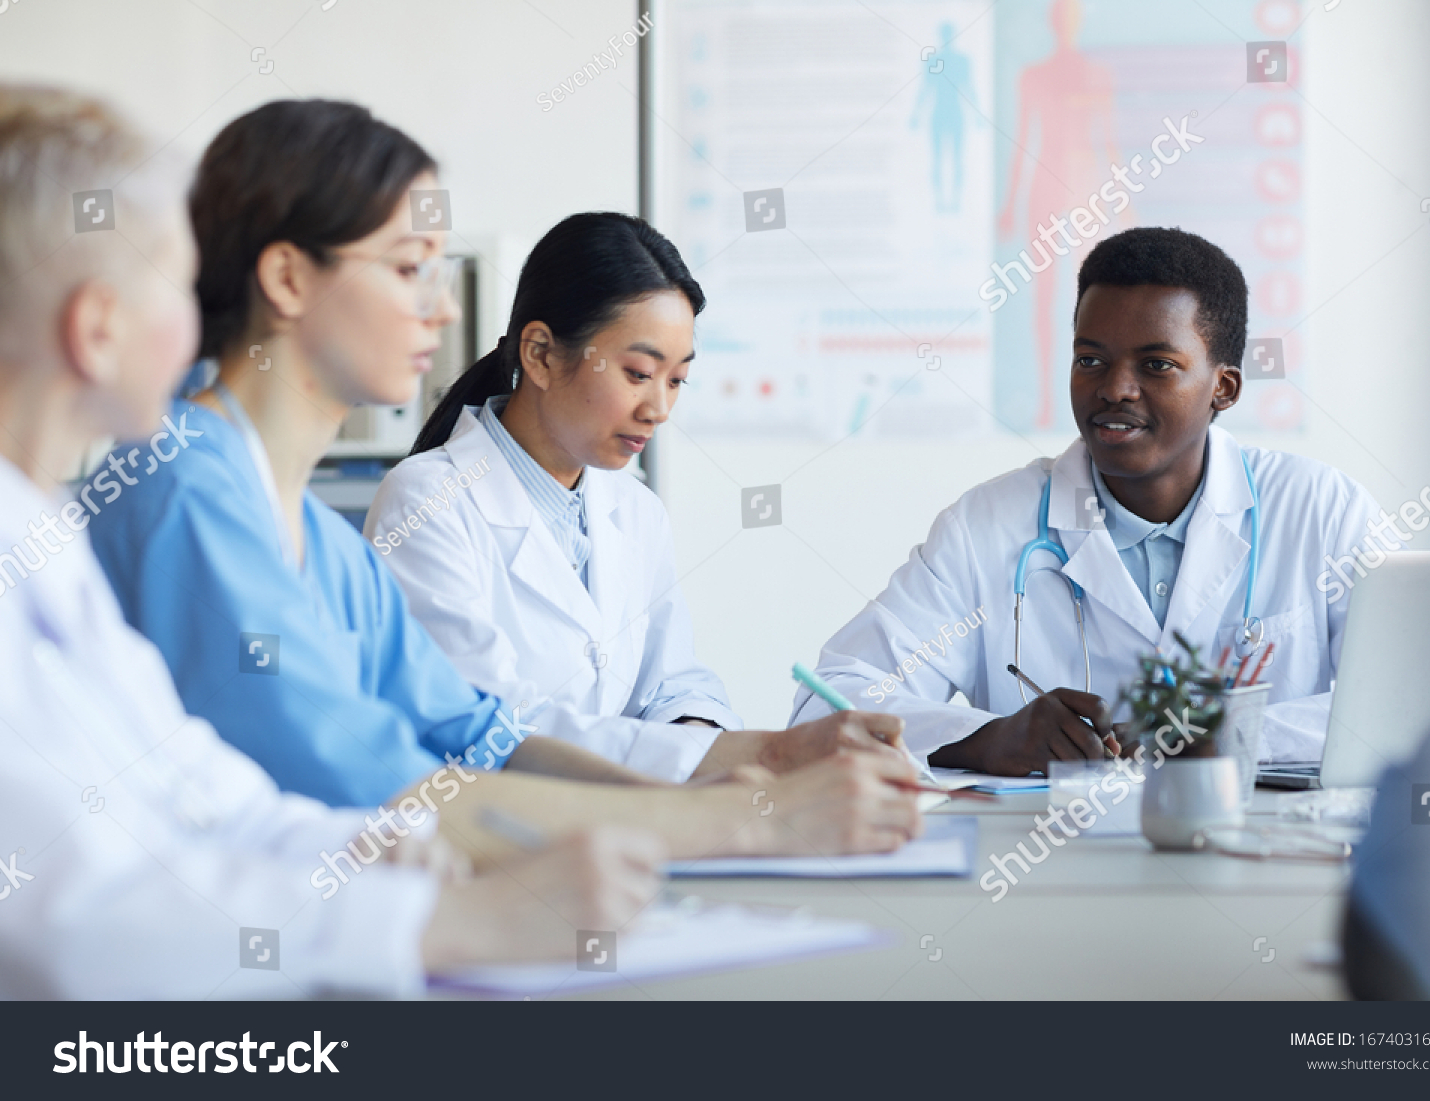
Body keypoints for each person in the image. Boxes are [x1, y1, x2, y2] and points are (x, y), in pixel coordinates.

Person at [86, 98, 922, 858]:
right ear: (289, 278)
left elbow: (476, 733)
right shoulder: (185, 487)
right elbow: (367, 781)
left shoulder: (311, 537)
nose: (444, 309)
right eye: (410, 267)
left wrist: (755, 765)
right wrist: (729, 820)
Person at [0, 84, 670, 997]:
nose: (439, 311)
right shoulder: (173, 483)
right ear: (96, 326)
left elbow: (222, 803)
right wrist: (441, 912)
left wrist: (385, 857)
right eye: (172, 280)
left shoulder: (63, 541)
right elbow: (78, 916)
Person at [792, 227, 1385, 774]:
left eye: (1156, 365)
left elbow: (1419, 704)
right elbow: (828, 704)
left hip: (1262, 868)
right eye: (1090, 359)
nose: (1114, 388)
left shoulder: (1320, 511)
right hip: (1044, 868)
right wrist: (987, 737)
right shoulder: (988, 527)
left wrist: (1228, 733)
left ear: (1222, 388)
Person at [369, 212, 901, 783]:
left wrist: (701, 745)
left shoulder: (633, 508)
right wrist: (750, 755)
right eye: (639, 373)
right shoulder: (426, 503)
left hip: (627, 826)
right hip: (490, 842)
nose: (659, 409)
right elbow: (492, 732)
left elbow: (673, 683)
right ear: (541, 354)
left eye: (676, 380)